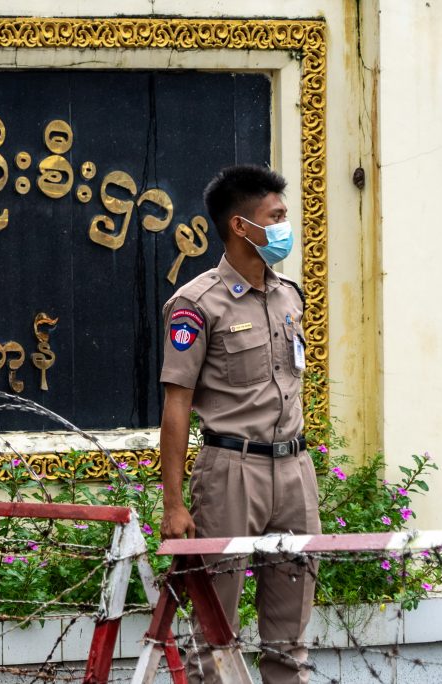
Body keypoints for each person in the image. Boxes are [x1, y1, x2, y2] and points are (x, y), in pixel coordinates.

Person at [158, 165, 320, 684]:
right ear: (239, 226)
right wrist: (174, 503)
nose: (283, 229)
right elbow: (177, 405)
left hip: (294, 470)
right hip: (231, 472)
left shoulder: (289, 295)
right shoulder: (196, 304)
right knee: (215, 633)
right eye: (274, 218)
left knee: (291, 637)